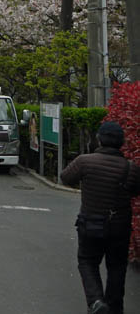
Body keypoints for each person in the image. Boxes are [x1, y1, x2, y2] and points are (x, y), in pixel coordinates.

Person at [61, 121, 140, 314]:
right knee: (117, 266)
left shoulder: (85, 161)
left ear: (99, 140)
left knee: (87, 261)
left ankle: (96, 301)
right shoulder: (131, 168)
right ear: (122, 142)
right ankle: (114, 308)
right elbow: (136, 191)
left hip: (91, 223)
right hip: (120, 227)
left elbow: (65, 177)